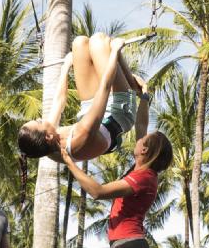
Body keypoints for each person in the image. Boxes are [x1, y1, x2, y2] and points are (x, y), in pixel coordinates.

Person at [17, 34, 148, 163]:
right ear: (48, 136)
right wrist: (115, 51)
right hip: (119, 113)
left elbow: (59, 101)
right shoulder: (80, 136)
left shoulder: (47, 143)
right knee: (99, 41)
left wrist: (66, 67)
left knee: (79, 43)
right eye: (39, 122)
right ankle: (133, 85)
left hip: (90, 110)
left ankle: (124, 77)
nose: (40, 119)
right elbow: (105, 87)